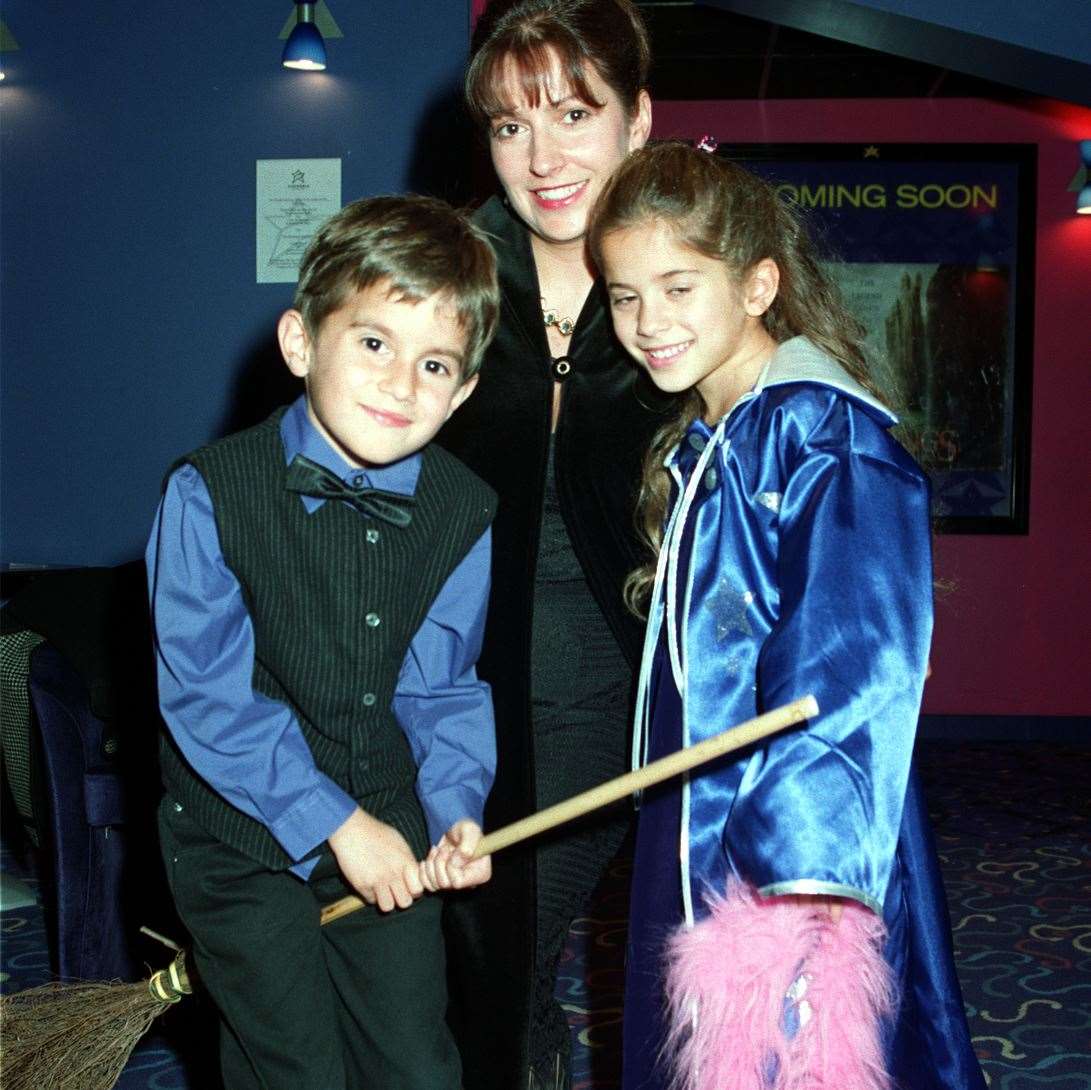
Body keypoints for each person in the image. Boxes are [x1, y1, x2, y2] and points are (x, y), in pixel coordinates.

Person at [589, 142, 988, 1090]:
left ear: (759, 284)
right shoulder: (715, 438)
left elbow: (853, 669)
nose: (648, 324)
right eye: (624, 294)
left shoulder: (821, 434)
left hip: (782, 868)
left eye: (679, 287)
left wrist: (798, 886)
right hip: (699, 828)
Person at [146, 194, 501, 1090]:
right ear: (302, 343)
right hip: (237, 835)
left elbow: (442, 688)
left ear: (461, 393)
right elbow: (209, 701)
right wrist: (336, 826)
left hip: (387, 818)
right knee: (293, 1068)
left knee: (416, 1065)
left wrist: (454, 807)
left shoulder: (463, 510)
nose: (400, 384)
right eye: (373, 343)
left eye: (434, 364)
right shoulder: (207, 494)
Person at [435, 2, 668, 1087]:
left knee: (515, 950)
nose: (542, 156)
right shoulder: (451, 274)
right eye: (509, 124)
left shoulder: (688, 270)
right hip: (443, 696)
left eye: (574, 112)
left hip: (617, 689)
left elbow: (797, 411)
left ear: (636, 120)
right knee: (474, 970)